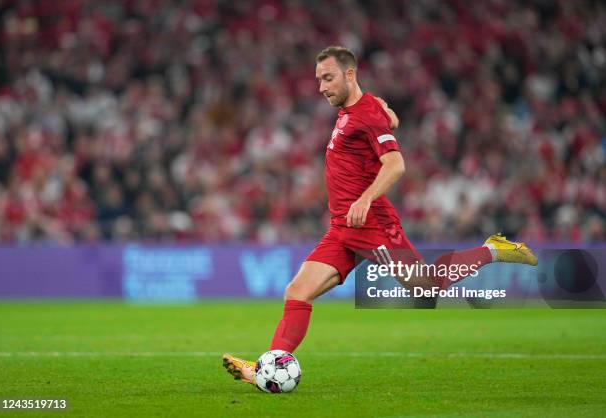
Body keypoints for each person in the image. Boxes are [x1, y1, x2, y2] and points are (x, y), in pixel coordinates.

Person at [222, 46, 537, 385]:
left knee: (425, 287)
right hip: (343, 228)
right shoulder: (356, 109)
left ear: (350, 74)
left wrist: (366, 199)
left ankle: (492, 249)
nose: (321, 87)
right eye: (318, 80)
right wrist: (388, 112)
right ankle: (265, 369)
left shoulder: (365, 115)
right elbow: (379, 116)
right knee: (297, 292)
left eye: (328, 78)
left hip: (371, 223)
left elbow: (396, 164)